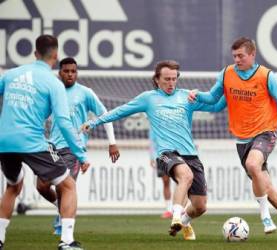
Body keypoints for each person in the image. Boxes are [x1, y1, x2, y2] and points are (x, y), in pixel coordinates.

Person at [82, 60, 226, 240]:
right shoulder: (148, 98)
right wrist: (94, 122)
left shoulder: (186, 97)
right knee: (186, 176)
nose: (171, 83)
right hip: (167, 153)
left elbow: (217, 106)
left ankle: (184, 220)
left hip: (190, 154)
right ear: (157, 79)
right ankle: (175, 217)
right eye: (167, 79)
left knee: (200, 206)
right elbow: (120, 111)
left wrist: (229, 89)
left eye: (174, 79)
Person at [188, 37, 277, 241]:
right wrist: (196, 95)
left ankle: (265, 217)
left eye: (241, 56)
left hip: (265, 132)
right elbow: (213, 99)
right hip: (242, 140)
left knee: (253, 165)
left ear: (252, 55)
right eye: (234, 56)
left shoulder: (266, 75)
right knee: (268, 189)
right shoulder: (227, 74)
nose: (237, 59)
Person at [0, 35, 89, 250]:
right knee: (68, 185)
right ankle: (67, 241)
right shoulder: (53, 83)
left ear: (34, 53)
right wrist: (81, 154)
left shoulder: (11, 74)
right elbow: (64, 123)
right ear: (56, 56)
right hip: (31, 141)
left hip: (4, 142)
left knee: (13, 185)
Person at [36, 57, 120, 235]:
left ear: (77, 73)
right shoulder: (53, 92)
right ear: (59, 73)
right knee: (41, 186)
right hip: (51, 147)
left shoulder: (85, 92)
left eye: (73, 71)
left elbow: (105, 115)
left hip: (74, 148)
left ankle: (64, 227)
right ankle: (62, 208)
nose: (70, 74)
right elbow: (40, 116)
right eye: (66, 71)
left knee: (65, 186)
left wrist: (112, 143)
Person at [149, 131, 173, 219]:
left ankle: (181, 209)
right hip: (160, 156)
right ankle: (169, 209)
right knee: (166, 182)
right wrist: (151, 157)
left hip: (174, 154)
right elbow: (152, 141)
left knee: (181, 182)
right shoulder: (154, 122)